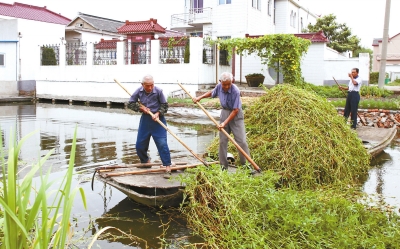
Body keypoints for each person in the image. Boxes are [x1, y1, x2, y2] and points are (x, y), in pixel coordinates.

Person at [193, 72, 253, 171]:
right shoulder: (219, 87)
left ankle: (247, 166)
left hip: (236, 115)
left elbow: (235, 110)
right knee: (222, 141)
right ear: (220, 82)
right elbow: (211, 93)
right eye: (224, 84)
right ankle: (223, 167)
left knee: (241, 141)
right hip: (225, 113)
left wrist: (225, 123)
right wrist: (199, 98)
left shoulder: (235, 91)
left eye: (229, 84)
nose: (226, 86)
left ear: (232, 82)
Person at [128, 74, 173, 178]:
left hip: (158, 121)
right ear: (142, 84)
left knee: (162, 144)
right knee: (139, 145)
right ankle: (146, 161)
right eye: (147, 85)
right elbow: (130, 104)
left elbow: (165, 106)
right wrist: (141, 108)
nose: (150, 88)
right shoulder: (138, 91)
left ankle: (167, 166)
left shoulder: (158, 91)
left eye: (151, 85)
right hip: (145, 120)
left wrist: (158, 113)